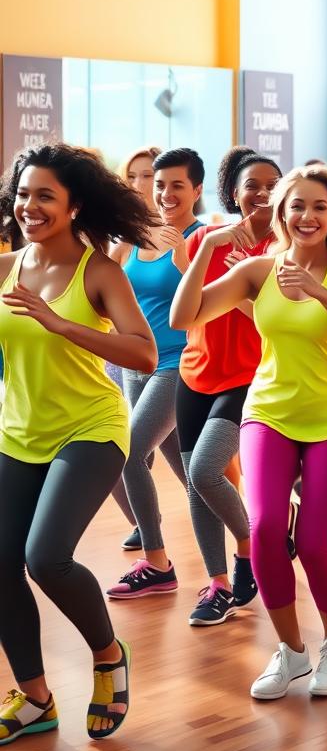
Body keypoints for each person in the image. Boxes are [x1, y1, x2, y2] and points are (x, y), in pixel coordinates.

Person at [173, 164, 327, 699]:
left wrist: (319, 292)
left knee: (313, 542)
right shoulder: (259, 270)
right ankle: (290, 651)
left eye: (319, 206)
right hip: (268, 411)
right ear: (280, 213)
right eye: (296, 206)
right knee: (266, 528)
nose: (307, 216)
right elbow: (183, 316)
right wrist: (207, 245)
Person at [0, 144, 158, 744]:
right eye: (23, 194)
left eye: (45, 196)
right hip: (18, 431)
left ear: (73, 207)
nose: (30, 207)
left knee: (46, 558)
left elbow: (143, 351)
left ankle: (108, 654)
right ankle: (36, 700)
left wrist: (60, 322)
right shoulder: (5, 266)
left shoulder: (99, 272)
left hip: (88, 429)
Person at [170, 146, 282, 626]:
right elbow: (185, 312)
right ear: (233, 193)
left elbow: (274, 323)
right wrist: (210, 251)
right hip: (195, 372)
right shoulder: (208, 239)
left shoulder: (283, 250)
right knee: (198, 487)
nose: (260, 193)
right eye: (251, 185)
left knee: (204, 471)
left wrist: (241, 284)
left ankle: (251, 548)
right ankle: (218, 583)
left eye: (271, 185)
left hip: (248, 377)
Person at [105, 149, 205, 600]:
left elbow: (208, 301)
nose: (164, 192)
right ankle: (268, 530)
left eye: (175, 185)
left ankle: (158, 563)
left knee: (127, 451)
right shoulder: (134, 236)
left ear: (196, 191)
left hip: (178, 363)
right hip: (136, 364)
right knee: (193, 476)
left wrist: (185, 255)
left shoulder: (204, 236)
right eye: (158, 184)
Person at [108, 145, 163, 548]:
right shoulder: (124, 233)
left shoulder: (180, 232)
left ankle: (153, 545)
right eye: (133, 176)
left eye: (148, 176)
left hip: (171, 361)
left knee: (130, 447)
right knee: (184, 465)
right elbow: (104, 290)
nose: (140, 184)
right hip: (129, 359)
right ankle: (146, 524)